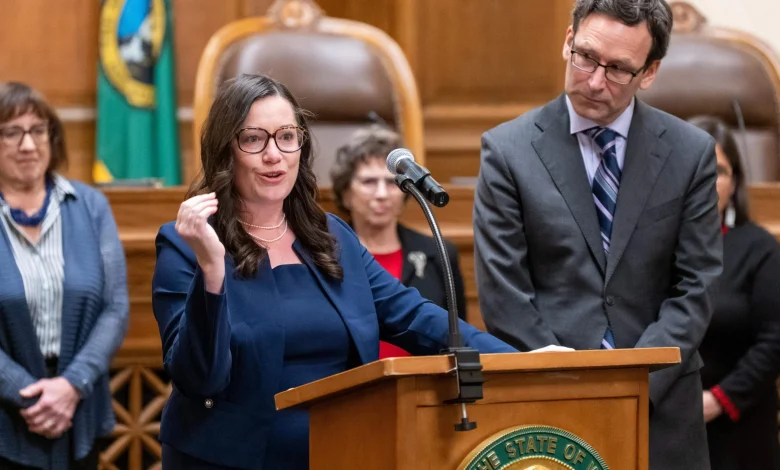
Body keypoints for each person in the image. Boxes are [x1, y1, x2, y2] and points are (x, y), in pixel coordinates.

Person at [151, 73, 515, 470]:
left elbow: (414, 317)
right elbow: (200, 377)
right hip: (225, 460)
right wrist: (211, 271)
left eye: (287, 137)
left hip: (340, 450)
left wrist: (522, 362)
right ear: (226, 150)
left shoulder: (330, 236)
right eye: (254, 139)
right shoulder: (184, 244)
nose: (274, 154)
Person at [472, 1, 722, 468]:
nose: (593, 80)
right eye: (585, 56)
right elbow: (504, 293)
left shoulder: (691, 153)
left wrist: (633, 380)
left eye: (618, 70)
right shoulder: (507, 151)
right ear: (568, 41)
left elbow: (697, 285)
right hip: (549, 408)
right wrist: (575, 383)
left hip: (662, 406)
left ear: (649, 72)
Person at [0, 82, 129, 469]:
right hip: (7, 417)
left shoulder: (90, 206)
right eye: (12, 132)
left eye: (38, 130)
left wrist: (71, 386)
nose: (28, 145)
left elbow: (116, 308)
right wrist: (27, 394)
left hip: (79, 406)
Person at [687, 116, 780, 469]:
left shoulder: (758, 248)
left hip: (739, 427)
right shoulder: (648, 248)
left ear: (735, 182)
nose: (708, 182)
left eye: (720, 172)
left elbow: (775, 340)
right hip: (665, 421)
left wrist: (719, 400)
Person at [330, 126, 468, 358]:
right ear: (345, 192)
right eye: (369, 182)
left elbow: (456, 333)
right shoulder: (324, 253)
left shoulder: (438, 252)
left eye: (391, 183)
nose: (382, 193)